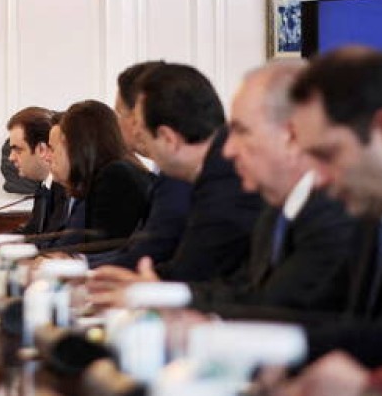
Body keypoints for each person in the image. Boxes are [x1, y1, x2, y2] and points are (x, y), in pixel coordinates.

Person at [89, 61, 357, 313]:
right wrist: (162, 293)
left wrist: (167, 300)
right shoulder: (276, 208)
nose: (227, 149)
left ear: (291, 136)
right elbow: (244, 289)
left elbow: (282, 311)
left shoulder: (334, 211)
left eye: (241, 131)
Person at [288, 47, 382, 367]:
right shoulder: (375, 203)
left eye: (327, 155)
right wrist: (216, 328)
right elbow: (327, 315)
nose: (317, 180)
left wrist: (285, 350)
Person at [100, 63, 263, 282]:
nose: (135, 133)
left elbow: (192, 271)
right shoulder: (213, 169)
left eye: (140, 128)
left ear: (169, 139)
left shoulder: (226, 181)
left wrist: (146, 285)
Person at [87, 61, 192, 268]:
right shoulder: (163, 172)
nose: (118, 124)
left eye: (121, 114)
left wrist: (83, 268)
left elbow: (156, 250)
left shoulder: (179, 174)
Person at [42, 100, 149, 247]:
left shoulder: (115, 176)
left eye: (53, 149)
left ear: (76, 145)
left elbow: (103, 247)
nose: (48, 157)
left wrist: (65, 257)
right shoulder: (103, 177)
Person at [5, 107, 68, 235]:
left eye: (18, 149)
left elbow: (55, 240)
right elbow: (31, 232)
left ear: (41, 149)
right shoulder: (43, 187)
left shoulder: (65, 188)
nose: (11, 157)